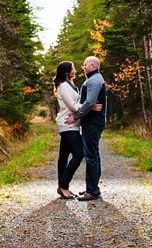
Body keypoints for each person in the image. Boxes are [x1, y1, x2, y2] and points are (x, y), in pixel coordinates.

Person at [64, 55, 106, 201]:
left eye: (86, 65)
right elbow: (88, 103)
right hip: (92, 122)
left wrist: (75, 117)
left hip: (93, 123)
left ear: (93, 66)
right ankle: (92, 188)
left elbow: (89, 102)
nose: (84, 67)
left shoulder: (95, 80)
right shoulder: (94, 79)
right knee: (93, 154)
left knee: (91, 156)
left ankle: (92, 191)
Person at [53, 60, 83, 200]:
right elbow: (72, 106)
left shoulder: (69, 85)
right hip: (68, 125)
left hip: (71, 125)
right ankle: (64, 185)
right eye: (73, 68)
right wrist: (88, 106)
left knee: (64, 156)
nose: (75, 71)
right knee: (79, 153)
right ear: (66, 72)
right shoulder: (64, 86)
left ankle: (62, 186)